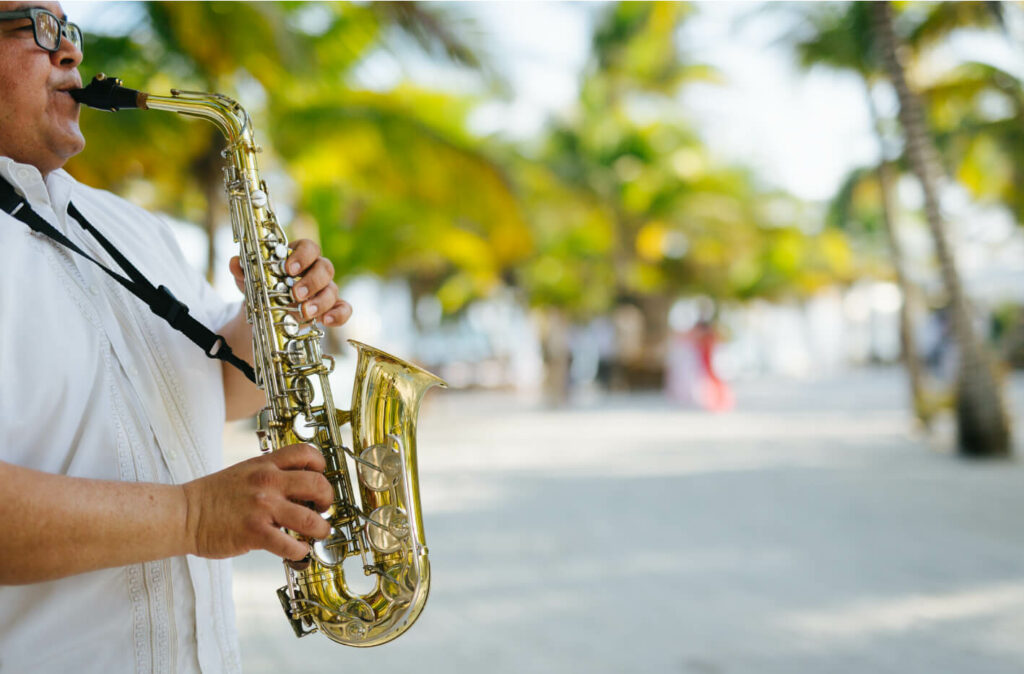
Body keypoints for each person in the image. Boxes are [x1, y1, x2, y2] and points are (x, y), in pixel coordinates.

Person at [0, 3, 351, 671]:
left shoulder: (131, 226)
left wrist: (274, 315)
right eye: (37, 29)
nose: (71, 54)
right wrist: (191, 517)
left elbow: (219, 384)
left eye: (68, 32)